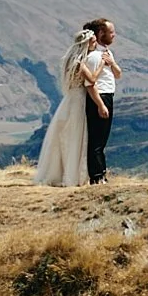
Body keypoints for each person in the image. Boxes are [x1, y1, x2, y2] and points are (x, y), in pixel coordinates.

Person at [30, 27, 101, 188]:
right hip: (79, 101)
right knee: (77, 136)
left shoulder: (69, 60)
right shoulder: (80, 63)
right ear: (86, 44)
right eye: (93, 42)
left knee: (66, 136)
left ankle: (65, 172)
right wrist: (102, 64)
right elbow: (92, 79)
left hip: (69, 100)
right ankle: (73, 175)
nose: (95, 44)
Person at [80, 18, 122, 184]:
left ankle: (101, 174)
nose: (114, 35)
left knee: (102, 139)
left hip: (107, 96)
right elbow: (90, 84)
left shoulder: (106, 54)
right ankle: (96, 177)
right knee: (97, 140)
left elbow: (118, 74)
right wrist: (100, 105)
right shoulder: (94, 57)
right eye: (111, 32)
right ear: (100, 34)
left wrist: (112, 63)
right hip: (100, 97)